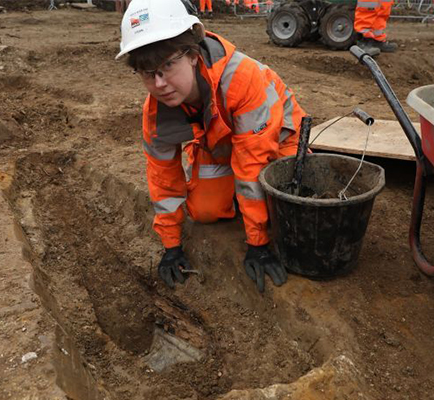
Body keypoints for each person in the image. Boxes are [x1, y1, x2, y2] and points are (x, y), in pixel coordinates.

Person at [116, 0, 306, 293]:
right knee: (204, 211)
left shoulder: (241, 79)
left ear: (192, 54)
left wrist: (258, 243)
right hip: (222, 145)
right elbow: (162, 178)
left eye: (167, 65)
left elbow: (253, 162)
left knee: (290, 205)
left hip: (277, 139)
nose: (160, 83)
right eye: (147, 73)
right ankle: (243, 201)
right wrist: (171, 246)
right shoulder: (155, 112)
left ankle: (256, 209)